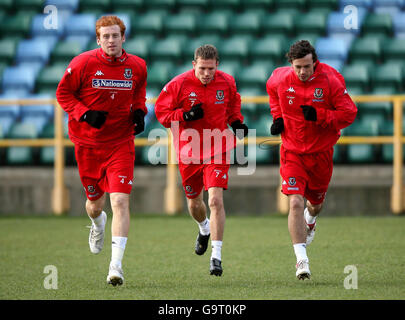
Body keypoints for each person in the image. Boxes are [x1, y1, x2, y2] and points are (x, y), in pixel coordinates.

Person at [56, 15, 147, 286]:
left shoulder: (138, 66)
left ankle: (115, 267)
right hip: (88, 144)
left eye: (115, 36)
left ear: (123, 38)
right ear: (98, 39)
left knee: (119, 201)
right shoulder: (82, 63)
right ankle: (97, 224)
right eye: (105, 36)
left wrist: (140, 111)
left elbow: (139, 91)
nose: (110, 40)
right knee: (95, 205)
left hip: (120, 142)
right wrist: (84, 114)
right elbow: (63, 94)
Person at [154, 44, 248, 276]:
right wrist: (184, 115)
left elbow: (233, 106)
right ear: (194, 65)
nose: (207, 73)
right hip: (189, 150)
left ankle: (216, 256)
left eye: (211, 68)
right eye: (202, 68)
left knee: (215, 200)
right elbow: (161, 113)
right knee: (195, 203)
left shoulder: (227, 82)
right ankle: (203, 228)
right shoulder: (178, 84)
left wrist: (237, 122)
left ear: (217, 65)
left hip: (218, 147)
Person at [266, 40, 357, 280]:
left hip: (321, 153)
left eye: (307, 66)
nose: (303, 71)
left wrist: (321, 115)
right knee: (294, 202)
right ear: (291, 64)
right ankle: (301, 260)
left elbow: (349, 113)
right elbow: (273, 94)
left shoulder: (331, 80)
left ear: (314, 62)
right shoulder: (279, 78)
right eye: (298, 67)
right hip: (292, 151)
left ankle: (312, 220)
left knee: (314, 204)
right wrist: (278, 117)